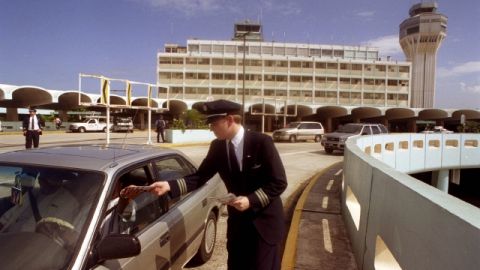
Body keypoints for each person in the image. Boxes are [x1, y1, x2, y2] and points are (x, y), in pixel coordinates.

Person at [122, 99, 288, 270]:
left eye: (214, 123)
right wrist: (169, 185)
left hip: (264, 225)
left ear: (229, 120)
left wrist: (250, 200)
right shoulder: (218, 147)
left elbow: (279, 182)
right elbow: (199, 177)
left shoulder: (261, 142)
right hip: (239, 225)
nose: (211, 128)